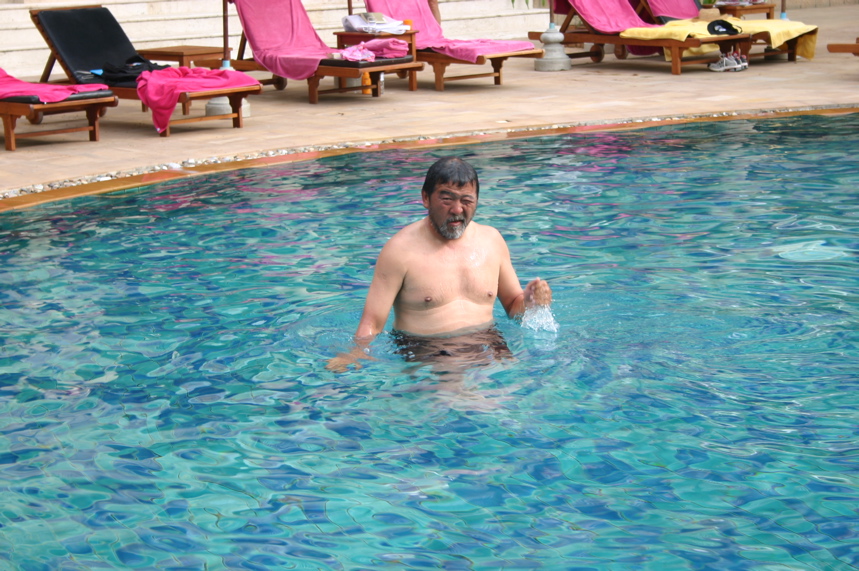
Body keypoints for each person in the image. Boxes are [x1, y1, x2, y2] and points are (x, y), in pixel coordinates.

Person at [327, 156, 552, 372]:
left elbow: (513, 307)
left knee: (525, 381)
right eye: (447, 200)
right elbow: (373, 322)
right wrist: (354, 353)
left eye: (466, 201)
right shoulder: (399, 251)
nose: (457, 210)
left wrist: (530, 302)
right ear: (426, 198)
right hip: (427, 349)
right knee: (456, 389)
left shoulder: (492, 241)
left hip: (489, 340)